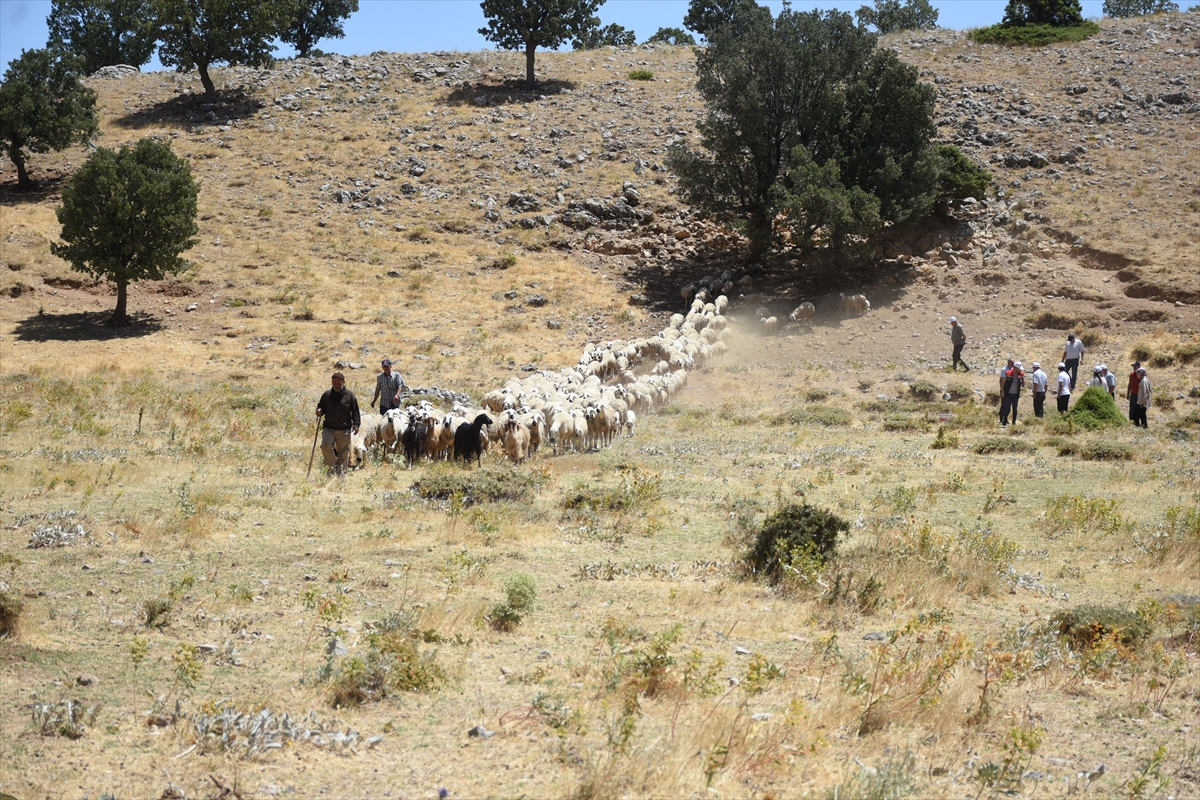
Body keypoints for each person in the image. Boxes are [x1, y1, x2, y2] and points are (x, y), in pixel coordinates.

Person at [316, 371, 361, 475]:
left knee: (344, 453)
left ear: (343, 382)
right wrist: (319, 410)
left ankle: (340, 475)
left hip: (344, 429)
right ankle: (331, 468)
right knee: (325, 446)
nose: (336, 384)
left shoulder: (349, 395)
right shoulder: (327, 394)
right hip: (329, 427)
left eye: (339, 382)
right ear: (331, 382)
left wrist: (356, 424)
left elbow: (355, 411)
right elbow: (320, 406)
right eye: (334, 382)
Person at [999, 360, 1024, 426]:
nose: (1020, 370)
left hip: (1016, 394)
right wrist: (1002, 391)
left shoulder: (1021, 374)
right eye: (1019, 369)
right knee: (1007, 407)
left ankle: (1014, 422)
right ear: (1015, 368)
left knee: (1015, 408)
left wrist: (1022, 387)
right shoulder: (1008, 373)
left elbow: (1022, 381)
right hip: (1008, 393)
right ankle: (1004, 421)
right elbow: (1003, 382)